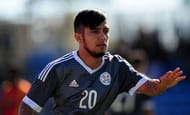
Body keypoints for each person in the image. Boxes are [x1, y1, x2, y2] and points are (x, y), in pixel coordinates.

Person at [18, 9, 186, 115]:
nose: (102, 37)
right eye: (95, 31)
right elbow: (27, 107)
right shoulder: (57, 68)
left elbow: (150, 88)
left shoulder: (117, 66)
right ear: (78, 37)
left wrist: (160, 85)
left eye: (105, 31)